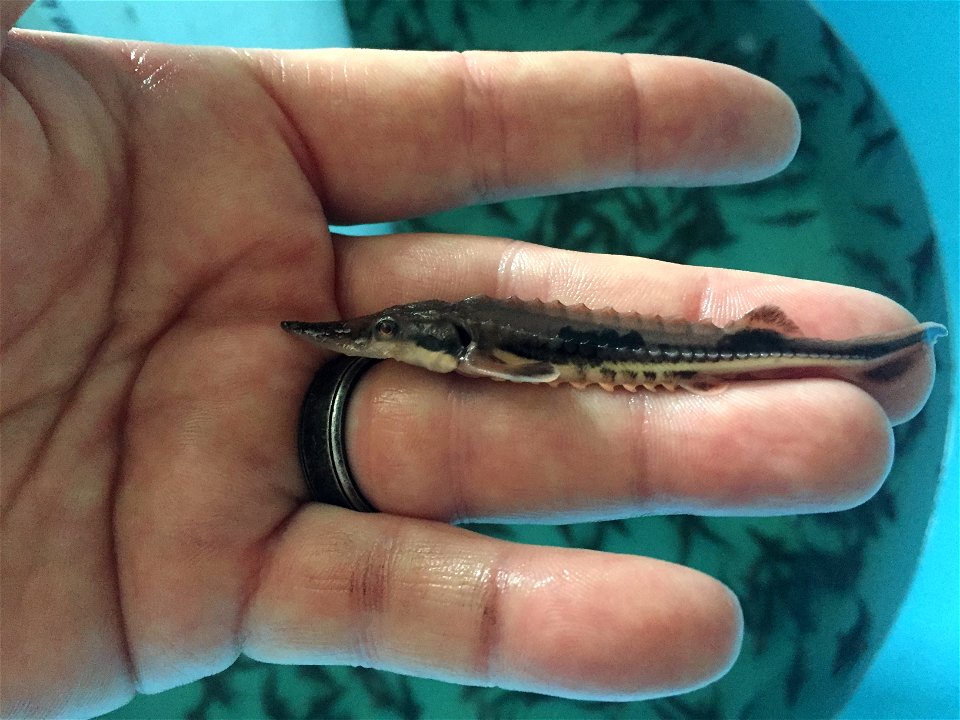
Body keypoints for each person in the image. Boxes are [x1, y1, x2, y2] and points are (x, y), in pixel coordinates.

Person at [0, 3, 937, 718]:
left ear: (442, 344)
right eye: (385, 339)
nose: (378, 344)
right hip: (589, 352)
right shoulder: (449, 339)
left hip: (658, 354)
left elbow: (531, 369)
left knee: (791, 388)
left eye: (392, 337)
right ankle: (885, 350)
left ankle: (884, 351)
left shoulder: (475, 344)